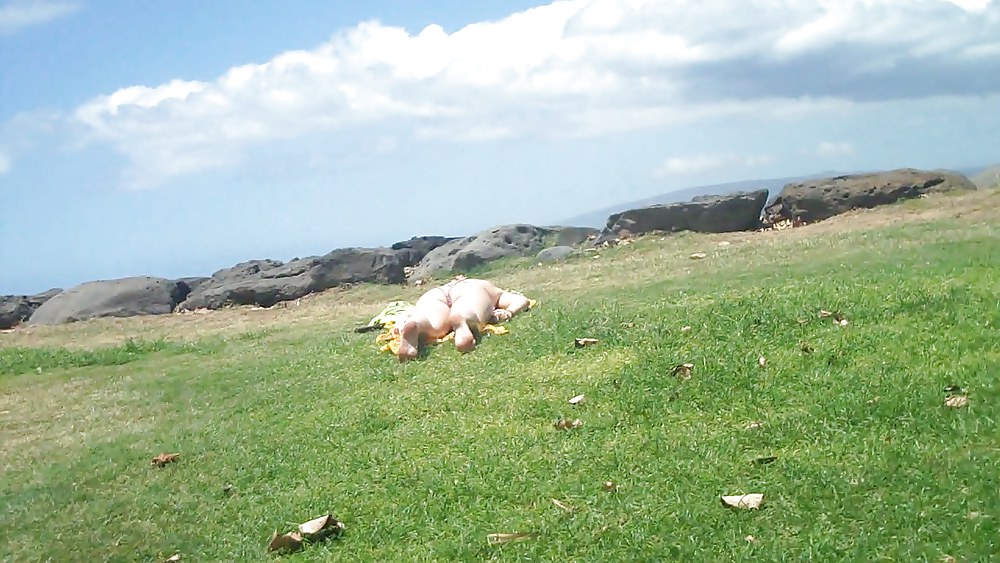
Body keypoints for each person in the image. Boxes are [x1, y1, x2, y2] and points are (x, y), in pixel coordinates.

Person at [397, 276, 532, 360]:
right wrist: (508, 312)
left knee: (430, 320)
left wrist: (404, 319)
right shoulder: (479, 284)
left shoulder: (443, 286)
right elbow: (521, 300)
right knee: (467, 309)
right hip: (470, 291)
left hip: (434, 294)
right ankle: (463, 319)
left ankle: (417, 324)